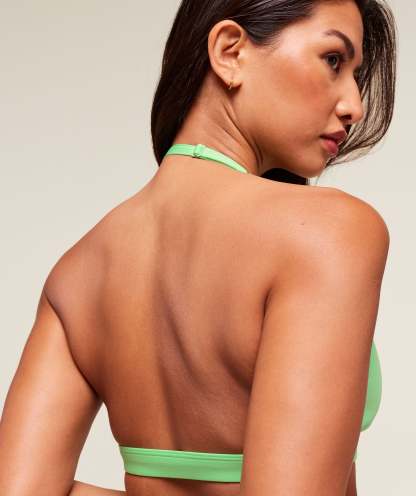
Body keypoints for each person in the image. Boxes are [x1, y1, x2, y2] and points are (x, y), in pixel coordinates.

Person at [0, 0, 397, 495]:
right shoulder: (328, 230)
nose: (355, 106)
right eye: (333, 60)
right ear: (230, 52)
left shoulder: (78, 271)